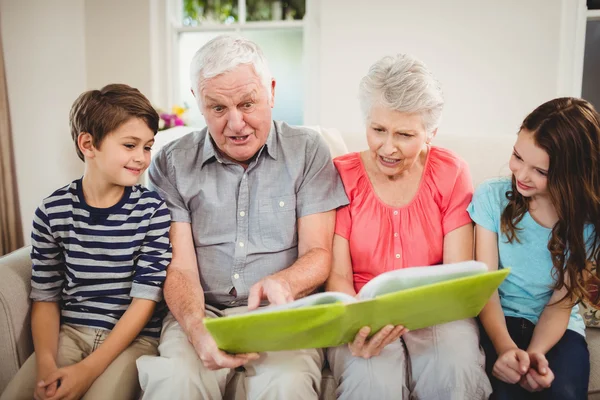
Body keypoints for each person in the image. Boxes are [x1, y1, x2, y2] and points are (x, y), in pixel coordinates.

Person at [136, 35, 348, 400]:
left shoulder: (308, 151)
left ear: (272, 92)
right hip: (202, 311)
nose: (236, 124)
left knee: (288, 387)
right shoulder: (171, 162)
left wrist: (285, 282)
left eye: (247, 103)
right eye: (217, 108)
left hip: (280, 316)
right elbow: (180, 268)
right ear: (198, 101)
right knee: (175, 383)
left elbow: (318, 253)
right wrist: (195, 326)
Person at [325, 54, 492, 400]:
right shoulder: (341, 175)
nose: (388, 147)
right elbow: (338, 276)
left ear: (431, 133)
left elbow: (456, 276)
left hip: (435, 311)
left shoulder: (451, 172)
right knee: (372, 376)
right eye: (378, 130)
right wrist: (357, 323)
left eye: (404, 134)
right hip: (359, 309)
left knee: (454, 365)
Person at [0, 84, 172, 400]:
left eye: (147, 147)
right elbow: (46, 296)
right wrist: (47, 364)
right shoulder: (53, 210)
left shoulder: (152, 209)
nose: (141, 158)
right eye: (130, 145)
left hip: (134, 341)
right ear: (88, 144)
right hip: (71, 334)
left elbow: (146, 300)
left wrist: (88, 371)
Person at [468, 97, 600, 399]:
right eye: (517, 156)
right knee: (504, 393)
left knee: (562, 391)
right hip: (500, 323)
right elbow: (484, 288)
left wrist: (536, 355)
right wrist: (506, 350)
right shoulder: (491, 196)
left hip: (558, 329)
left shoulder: (587, 223)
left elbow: (561, 304)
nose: (522, 174)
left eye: (541, 171)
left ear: (572, 175)